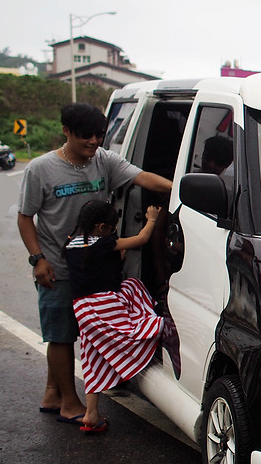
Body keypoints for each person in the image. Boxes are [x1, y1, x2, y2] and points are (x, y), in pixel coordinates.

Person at [17, 103, 173, 423]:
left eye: (99, 135)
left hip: (94, 267)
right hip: (57, 268)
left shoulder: (105, 160)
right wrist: (38, 259)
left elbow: (144, 179)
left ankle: (52, 391)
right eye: (84, 135)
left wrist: (182, 191)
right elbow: (25, 217)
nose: (93, 141)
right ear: (66, 131)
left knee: (82, 332)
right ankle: (69, 404)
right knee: (60, 336)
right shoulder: (40, 169)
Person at [65, 201, 174, 432]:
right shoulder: (106, 244)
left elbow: (97, 264)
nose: (115, 232)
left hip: (82, 309)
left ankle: (91, 414)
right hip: (104, 304)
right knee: (131, 328)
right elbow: (141, 239)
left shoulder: (71, 244)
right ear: (103, 227)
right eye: (113, 228)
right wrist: (152, 219)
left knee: (92, 355)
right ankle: (163, 325)